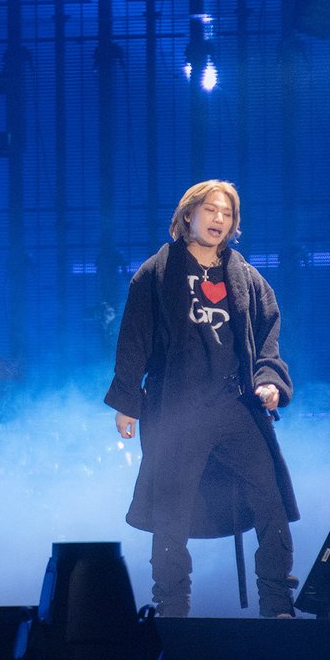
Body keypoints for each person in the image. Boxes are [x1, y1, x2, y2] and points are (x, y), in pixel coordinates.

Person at [105, 178, 299, 618]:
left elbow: (268, 337)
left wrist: (269, 381)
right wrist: (126, 402)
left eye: (227, 213)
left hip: (234, 405)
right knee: (171, 510)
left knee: (270, 499)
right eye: (211, 210)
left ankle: (277, 604)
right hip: (179, 408)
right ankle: (172, 609)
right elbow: (133, 339)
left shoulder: (245, 276)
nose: (219, 219)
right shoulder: (156, 273)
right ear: (188, 214)